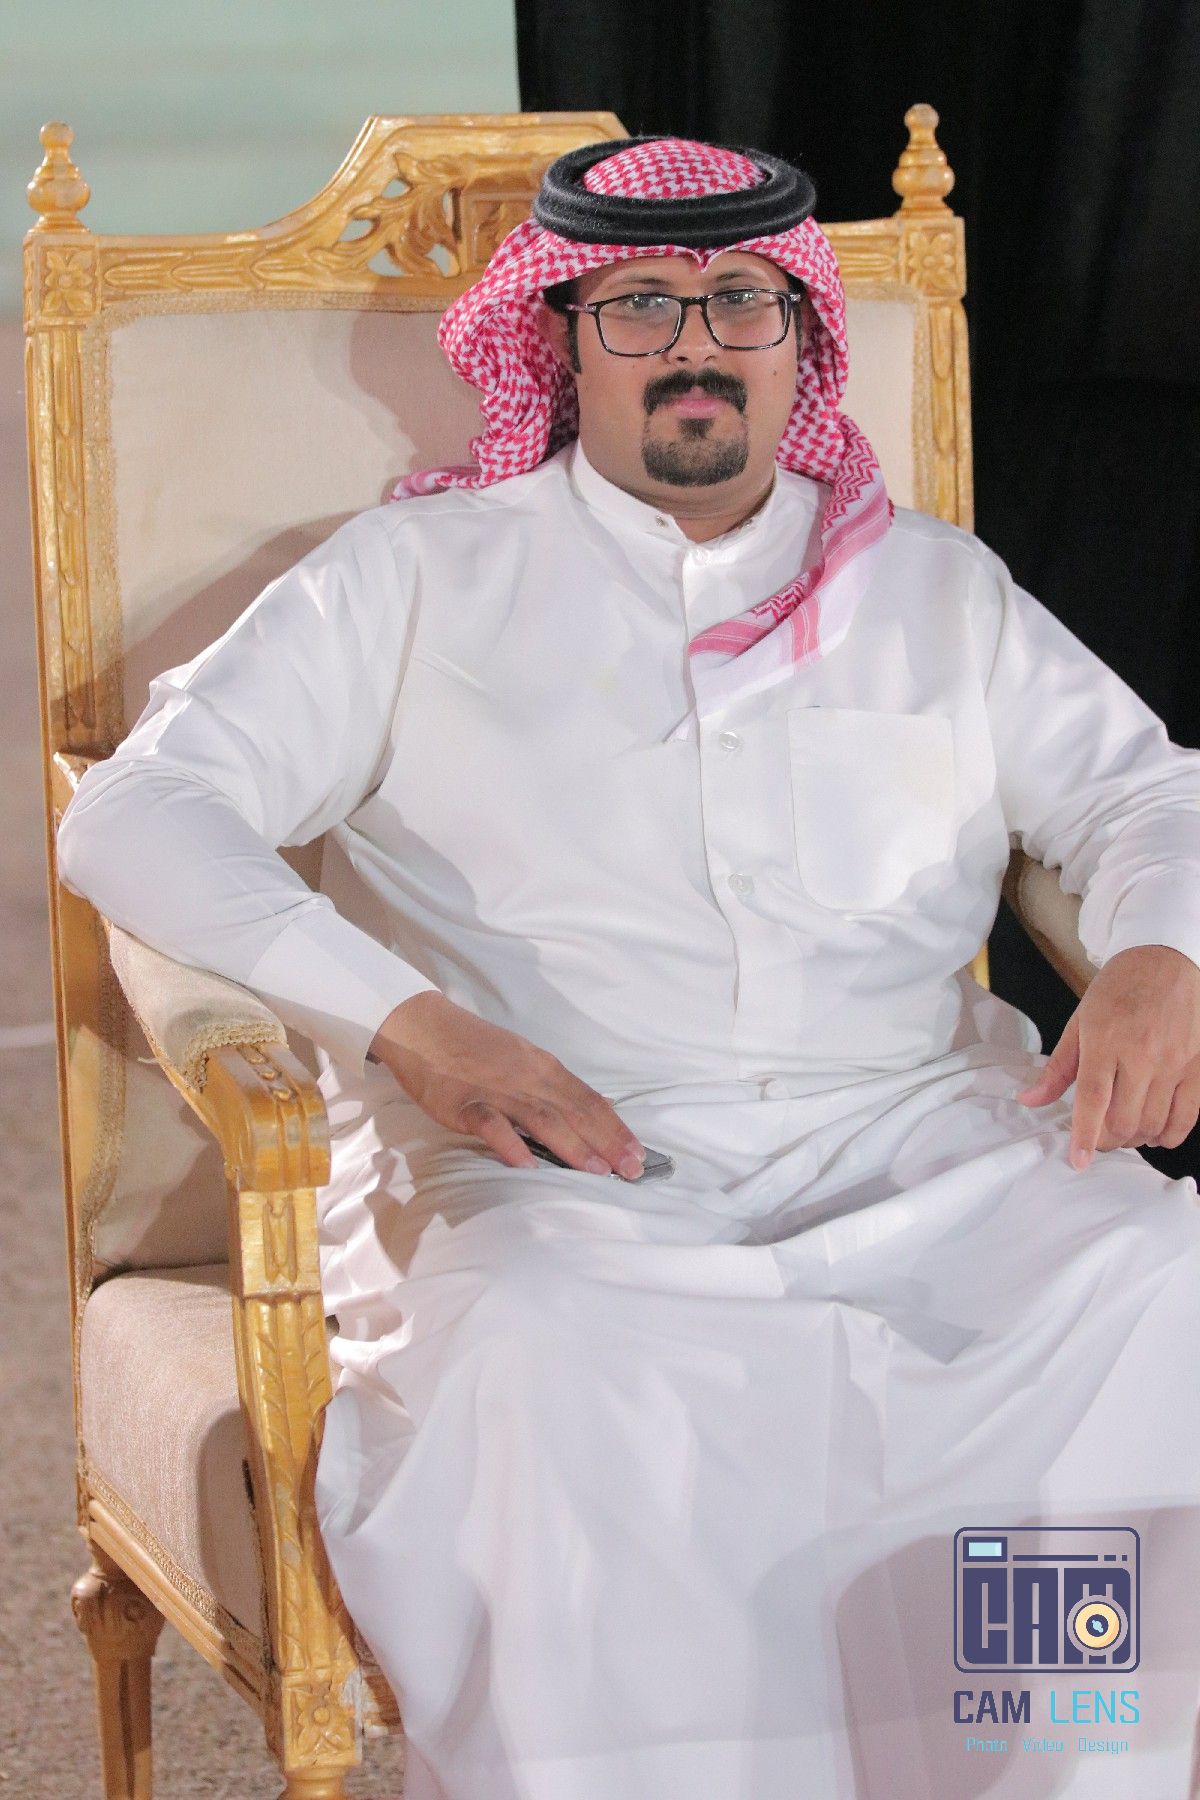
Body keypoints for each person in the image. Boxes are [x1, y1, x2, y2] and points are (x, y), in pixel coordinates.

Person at [56, 136, 1200, 1799]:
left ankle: (1051, 1768)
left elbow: (1147, 793)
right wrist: (410, 1026)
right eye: (641, 305)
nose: (695, 345)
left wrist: (1160, 952)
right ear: (560, 340)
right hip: (560, 1167)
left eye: (742, 303)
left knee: (1151, 1275)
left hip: (919, 1143)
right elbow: (140, 812)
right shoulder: (411, 579)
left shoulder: (935, 589)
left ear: (803, 340)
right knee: (551, 1362)